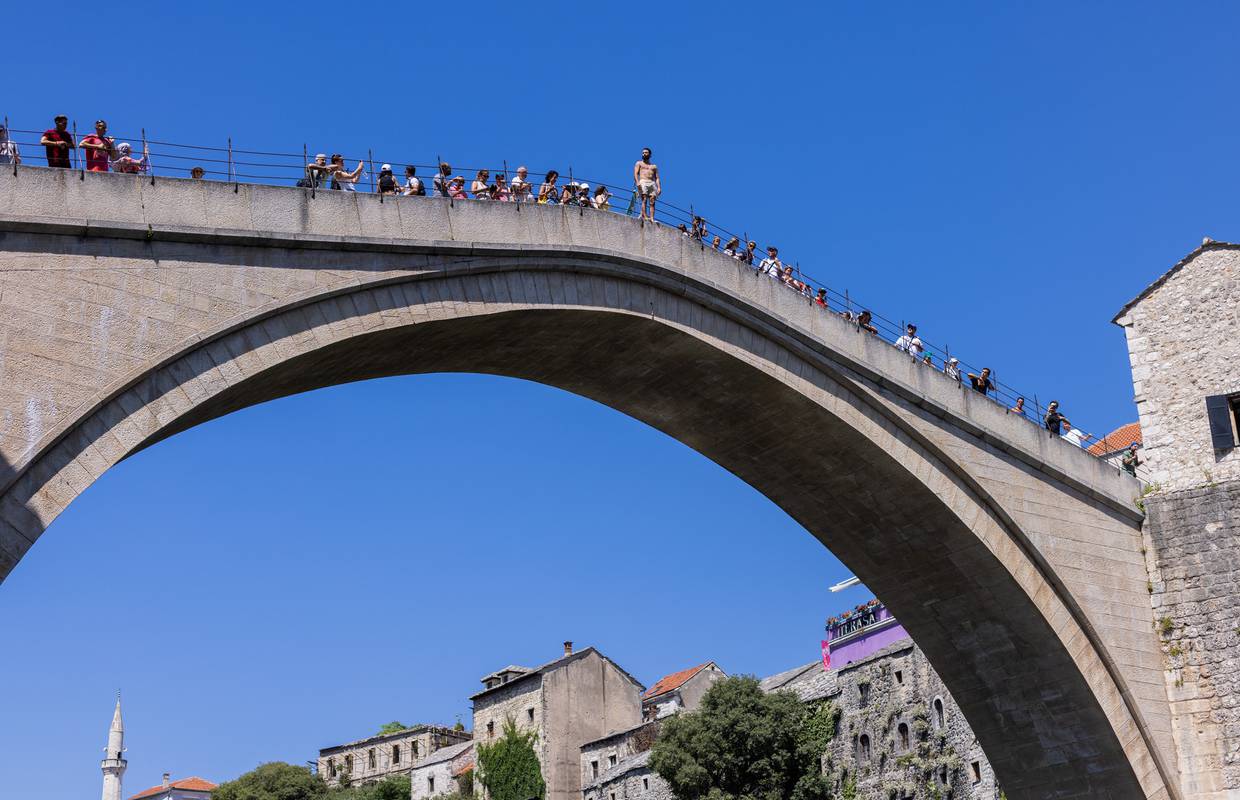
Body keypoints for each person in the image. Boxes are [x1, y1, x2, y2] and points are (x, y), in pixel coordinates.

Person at [633, 147, 660, 222]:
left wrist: (659, 188)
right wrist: (637, 182)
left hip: (652, 182)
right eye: (643, 153)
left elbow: (657, 177)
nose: (644, 154)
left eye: (646, 152)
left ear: (650, 154)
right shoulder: (639, 163)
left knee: (652, 201)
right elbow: (635, 173)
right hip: (643, 181)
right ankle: (644, 216)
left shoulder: (654, 166)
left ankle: (652, 218)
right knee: (644, 199)